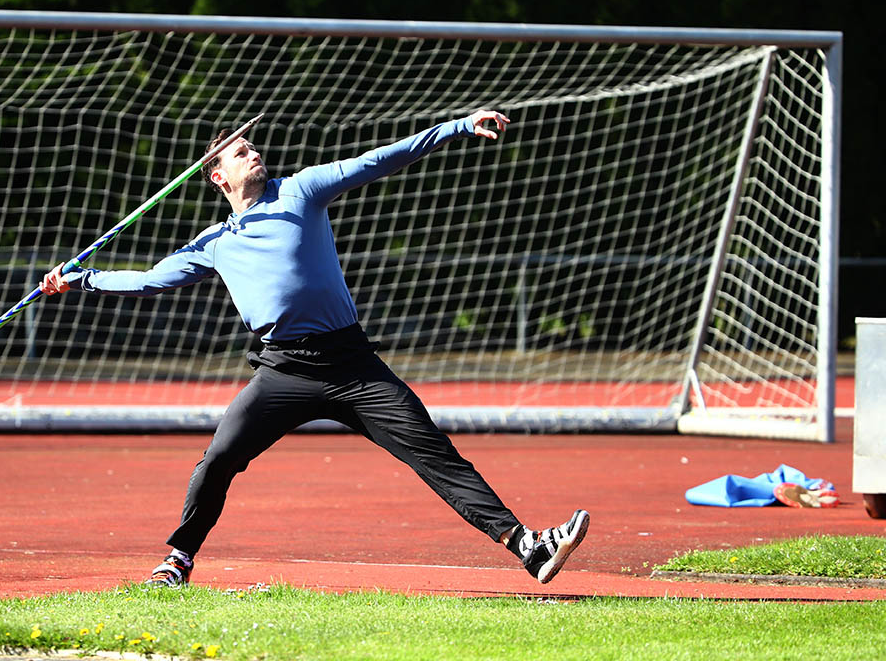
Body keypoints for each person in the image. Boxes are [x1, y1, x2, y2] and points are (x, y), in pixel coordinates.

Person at [40, 110, 589, 586]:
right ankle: (178, 558)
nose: (252, 153)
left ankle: (528, 546)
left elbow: (377, 161)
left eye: (252, 146)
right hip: (284, 371)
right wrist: (81, 279)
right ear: (217, 176)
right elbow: (150, 279)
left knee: (433, 452)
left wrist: (456, 127)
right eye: (239, 152)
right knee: (219, 459)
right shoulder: (214, 244)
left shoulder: (301, 189)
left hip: (352, 365)